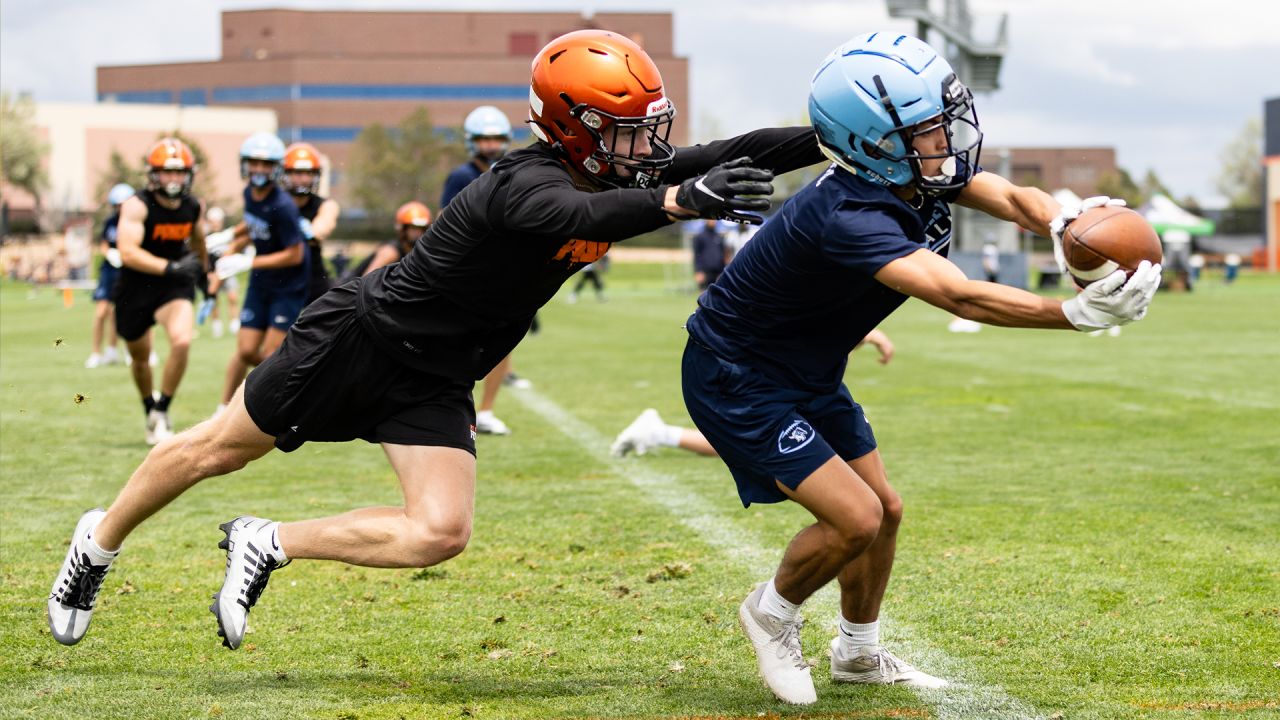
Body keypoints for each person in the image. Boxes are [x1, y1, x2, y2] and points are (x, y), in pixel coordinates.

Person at [46, 28, 821, 652]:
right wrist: (681, 201)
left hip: (440, 374)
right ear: (573, 129)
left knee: (440, 532)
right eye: (627, 131)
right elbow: (579, 219)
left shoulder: (615, 171)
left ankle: (268, 541)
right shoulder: (522, 184)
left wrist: (839, 138)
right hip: (361, 341)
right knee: (216, 448)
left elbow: (735, 150)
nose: (647, 147)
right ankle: (98, 543)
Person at [678, 33, 1161, 705]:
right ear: (872, 141)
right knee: (856, 518)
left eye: (942, 116)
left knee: (888, 511)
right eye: (927, 127)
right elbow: (958, 293)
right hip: (738, 375)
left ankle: (858, 654)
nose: (946, 135)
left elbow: (1020, 201)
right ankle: (771, 612)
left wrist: (1069, 220)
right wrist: (1074, 314)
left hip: (806, 367)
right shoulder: (849, 212)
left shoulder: (912, 168)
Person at [613, 329, 894, 458]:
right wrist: (867, 334)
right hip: (765, 377)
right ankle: (657, 432)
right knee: (757, 443)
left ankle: (658, 432)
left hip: (777, 376)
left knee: (745, 444)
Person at [109, 139, 211, 445]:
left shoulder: (193, 206)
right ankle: (148, 408)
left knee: (181, 341)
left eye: (179, 172)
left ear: (189, 175)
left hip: (173, 286)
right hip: (136, 287)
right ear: (153, 175)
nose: (173, 179)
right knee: (140, 360)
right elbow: (127, 252)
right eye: (166, 172)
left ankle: (163, 409)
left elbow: (198, 242)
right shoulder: (137, 205)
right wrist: (169, 267)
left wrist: (206, 275)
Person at [211, 132, 308, 415]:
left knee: (269, 356)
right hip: (261, 283)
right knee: (246, 352)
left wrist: (248, 262)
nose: (259, 170)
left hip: (287, 287)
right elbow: (254, 223)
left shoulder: (284, 205)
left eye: (267, 164)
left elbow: (295, 254)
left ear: (277, 168)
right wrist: (229, 235)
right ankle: (227, 409)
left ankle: (262, 411)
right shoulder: (248, 194)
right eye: (254, 162)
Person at [280, 142, 341, 305]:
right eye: (298, 173)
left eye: (308, 173)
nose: (304, 179)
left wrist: (311, 231)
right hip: (279, 278)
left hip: (313, 279)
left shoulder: (325, 205)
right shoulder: (275, 204)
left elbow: (323, 226)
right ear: (286, 174)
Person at [85, 183, 134, 368]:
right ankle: (96, 353)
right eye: (118, 205)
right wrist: (110, 254)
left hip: (128, 270)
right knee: (101, 312)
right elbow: (104, 244)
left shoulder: (136, 222)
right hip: (109, 271)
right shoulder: (110, 222)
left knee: (121, 312)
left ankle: (115, 350)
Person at [350, 201, 430, 278]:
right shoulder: (391, 251)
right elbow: (366, 280)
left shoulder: (414, 253)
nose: (418, 233)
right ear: (403, 229)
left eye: (421, 229)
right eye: (413, 228)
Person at [200, 207, 241, 339]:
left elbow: (233, 251)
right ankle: (216, 325)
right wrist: (207, 272)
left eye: (218, 221)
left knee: (233, 297)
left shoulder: (227, 235)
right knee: (214, 300)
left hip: (227, 272)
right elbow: (202, 257)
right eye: (213, 221)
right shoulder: (205, 236)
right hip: (212, 274)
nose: (215, 224)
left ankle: (234, 324)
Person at [692, 219, 729, 292]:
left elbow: (723, 254)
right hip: (705, 272)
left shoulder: (718, 236)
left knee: (718, 296)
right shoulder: (700, 236)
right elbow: (697, 255)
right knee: (704, 296)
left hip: (718, 271)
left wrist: (723, 271)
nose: (713, 222)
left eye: (714, 220)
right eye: (711, 220)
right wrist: (698, 271)